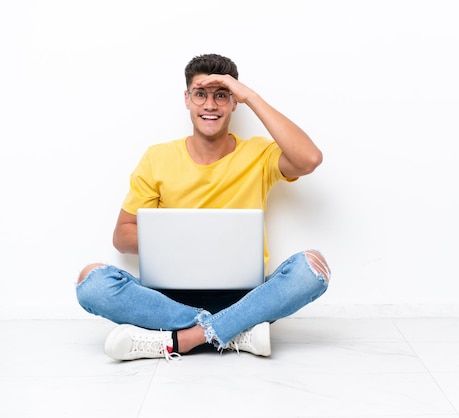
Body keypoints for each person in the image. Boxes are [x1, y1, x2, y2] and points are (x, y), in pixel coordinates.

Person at [75, 53, 331, 361]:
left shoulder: (259, 154)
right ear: (187, 99)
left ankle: (182, 340)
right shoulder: (158, 157)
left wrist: (252, 96)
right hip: (168, 299)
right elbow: (122, 237)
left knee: (312, 269)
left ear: (235, 102)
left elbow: (310, 159)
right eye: (201, 94)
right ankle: (235, 332)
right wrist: (181, 239)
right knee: (92, 282)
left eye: (222, 96)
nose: (210, 105)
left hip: (245, 296)